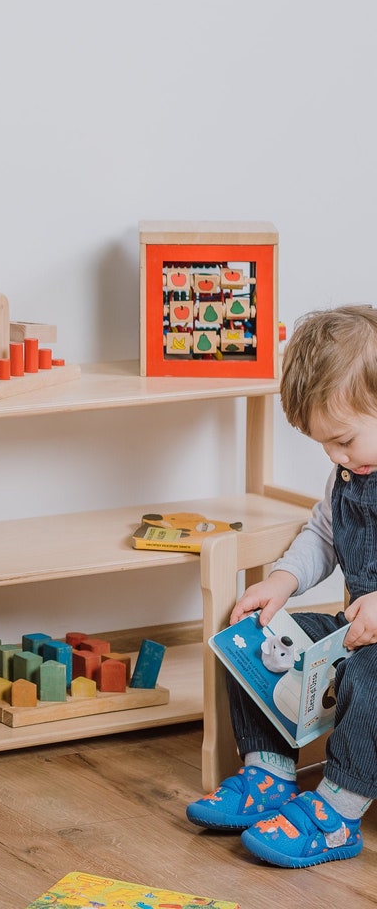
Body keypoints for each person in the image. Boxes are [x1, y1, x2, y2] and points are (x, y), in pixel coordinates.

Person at [186, 304, 377, 868]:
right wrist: (282, 581)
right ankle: (268, 773)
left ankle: (338, 813)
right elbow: (324, 532)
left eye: (344, 440)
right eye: (325, 446)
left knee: (369, 676)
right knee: (255, 638)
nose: (337, 457)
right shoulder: (350, 473)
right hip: (353, 631)